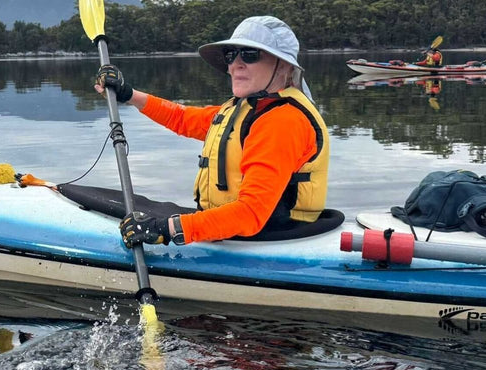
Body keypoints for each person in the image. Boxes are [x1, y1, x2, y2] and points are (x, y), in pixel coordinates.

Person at [94, 16, 330, 246]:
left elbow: (251, 213)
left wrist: (167, 229)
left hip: (270, 235)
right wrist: (128, 95)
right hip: (238, 229)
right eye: (231, 54)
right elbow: (181, 118)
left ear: (284, 65)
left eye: (250, 55)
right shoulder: (250, 108)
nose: (235, 64)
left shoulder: (283, 121)